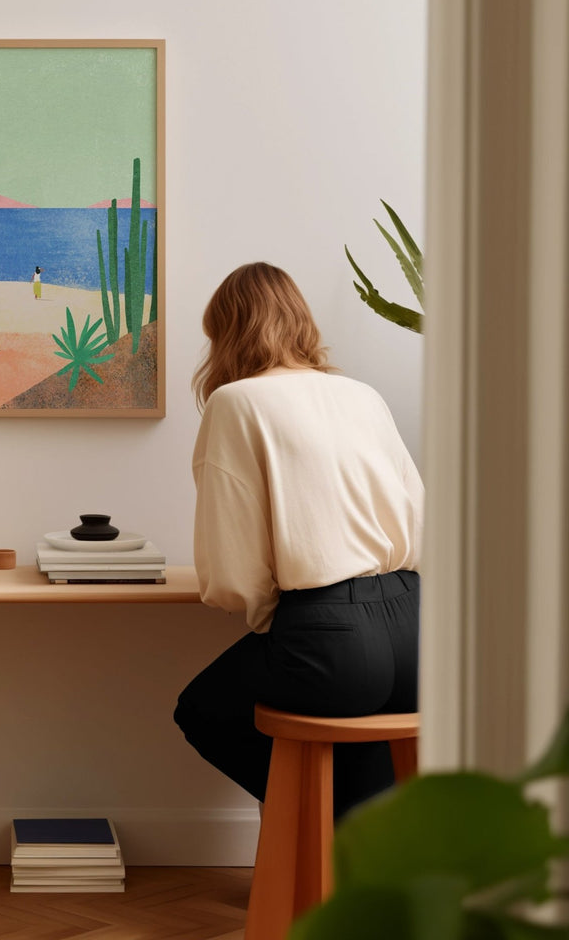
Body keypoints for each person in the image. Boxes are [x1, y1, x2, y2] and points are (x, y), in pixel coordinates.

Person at [173, 262, 423, 819]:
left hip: (332, 638)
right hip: (418, 633)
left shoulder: (237, 402)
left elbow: (232, 573)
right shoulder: (363, 395)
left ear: (227, 333)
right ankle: (350, 861)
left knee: (203, 709)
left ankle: (309, 832)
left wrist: (273, 617)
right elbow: (418, 515)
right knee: (364, 736)